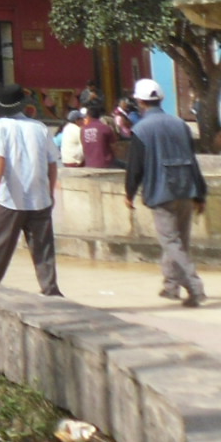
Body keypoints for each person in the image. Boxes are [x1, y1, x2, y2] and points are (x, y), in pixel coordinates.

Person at [123, 78, 208, 307]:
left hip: (161, 192)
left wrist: (129, 193)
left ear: (140, 102)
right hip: (186, 189)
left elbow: (135, 167)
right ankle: (171, 286)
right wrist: (200, 194)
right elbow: (193, 161)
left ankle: (195, 287)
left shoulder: (141, 129)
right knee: (180, 241)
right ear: (161, 99)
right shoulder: (180, 124)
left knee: (171, 242)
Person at [0, 82, 61, 296]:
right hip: (39, 198)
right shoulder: (39, 127)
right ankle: (50, 289)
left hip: (10, 199)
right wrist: (50, 193)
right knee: (43, 248)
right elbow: (52, 164)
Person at [78, 95, 119, 169]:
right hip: (105, 165)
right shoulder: (106, 128)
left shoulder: (83, 130)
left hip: (89, 165)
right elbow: (114, 147)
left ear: (88, 116)